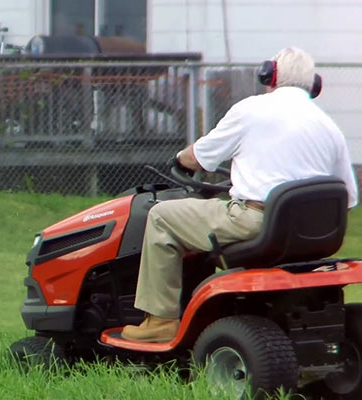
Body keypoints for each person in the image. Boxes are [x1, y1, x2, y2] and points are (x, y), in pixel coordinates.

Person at [120, 47, 359, 343]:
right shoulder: (330, 127)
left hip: (256, 221)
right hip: (315, 237)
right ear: (314, 85)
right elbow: (348, 199)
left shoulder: (251, 110)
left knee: (160, 217)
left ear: (269, 75)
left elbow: (199, 157)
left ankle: (160, 321)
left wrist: (181, 159)